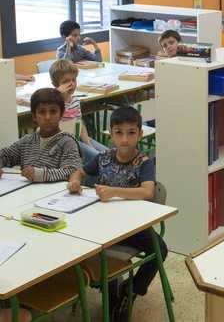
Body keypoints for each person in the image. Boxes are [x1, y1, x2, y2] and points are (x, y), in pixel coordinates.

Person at [67, 106, 167, 321]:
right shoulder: (103, 157)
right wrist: (75, 180)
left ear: (140, 134)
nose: (125, 139)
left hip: (132, 226)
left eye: (131, 133)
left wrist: (113, 192)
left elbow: (148, 191)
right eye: (119, 133)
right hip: (103, 226)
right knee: (94, 250)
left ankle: (130, 290)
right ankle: (110, 294)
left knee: (160, 248)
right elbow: (80, 171)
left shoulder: (144, 162)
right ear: (110, 135)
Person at [0, 88, 81, 182]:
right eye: (42, 112)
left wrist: (40, 174)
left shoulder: (67, 142)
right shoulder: (27, 141)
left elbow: (72, 172)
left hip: (54, 194)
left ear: (61, 114)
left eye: (53, 111)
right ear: (34, 116)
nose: (47, 117)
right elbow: (5, 155)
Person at [49, 59, 109, 165]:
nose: (71, 84)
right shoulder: (52, 103)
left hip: (77, 138)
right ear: (55, 84)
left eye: (74, 80)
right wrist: (57, 93)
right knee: (96, 158)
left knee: (108, 153)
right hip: (64, 143)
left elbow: (79, 123)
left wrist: (88, 143)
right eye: (66, 81)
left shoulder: (75, 101)